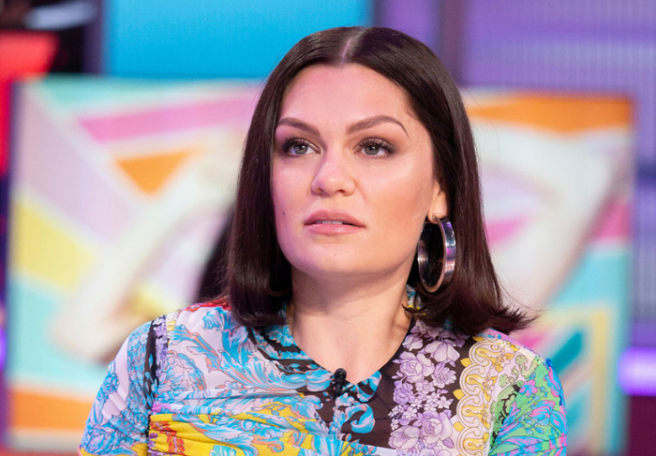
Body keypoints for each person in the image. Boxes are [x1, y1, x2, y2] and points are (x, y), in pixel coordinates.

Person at [79, 26, 567, 456]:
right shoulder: (163, 356)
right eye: (299, 146)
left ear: (441, 188)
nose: (329, 178)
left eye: (374, 147)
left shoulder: (509, 390)